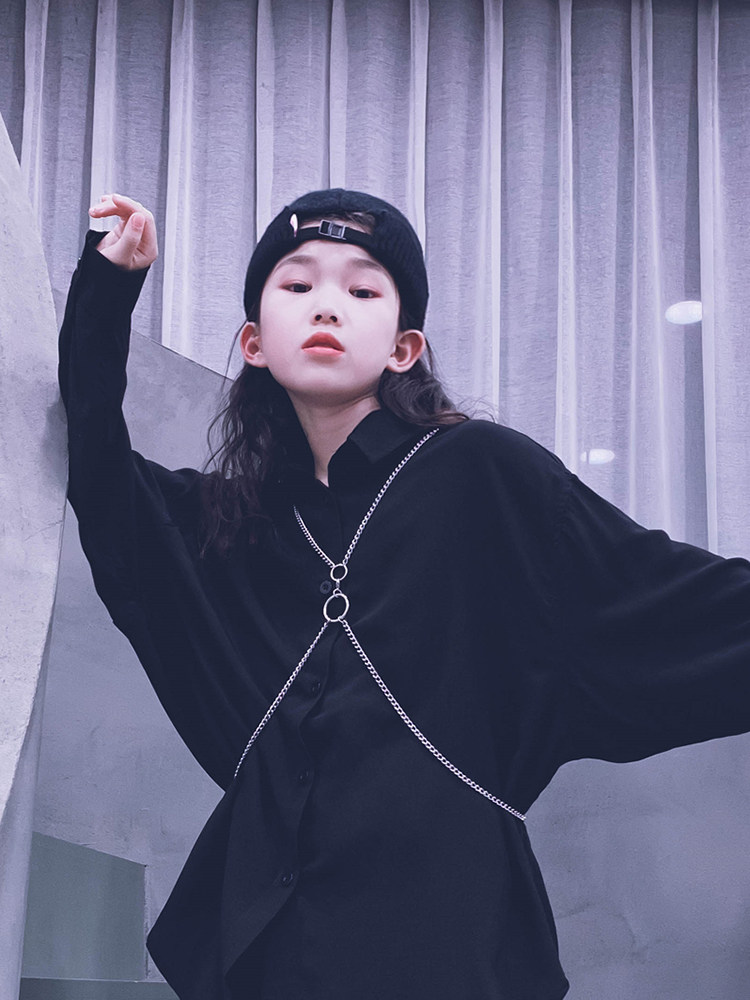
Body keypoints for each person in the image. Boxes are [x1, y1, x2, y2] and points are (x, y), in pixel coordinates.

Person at [59, 189, 750, 1000]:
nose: (327, 305)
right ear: (253, 342)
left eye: (362, 290)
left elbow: (669, 605)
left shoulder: (484, 475)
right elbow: (99, 471)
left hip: (445, 943)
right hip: (272, 956)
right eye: (297, 285)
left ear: (403, 347)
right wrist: (108, 286)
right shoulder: (231, 526)